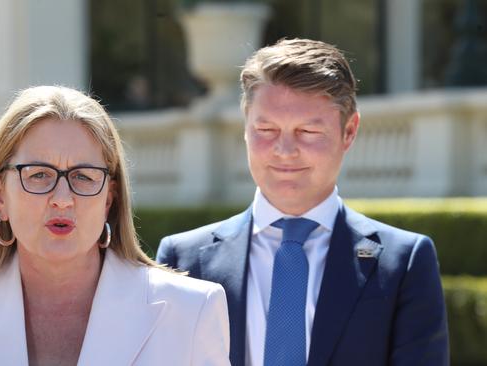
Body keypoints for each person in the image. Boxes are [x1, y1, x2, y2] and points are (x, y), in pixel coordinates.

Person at [157, 38, 449, 366]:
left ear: (349, 132)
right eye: (266, 129)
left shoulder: (405, 263)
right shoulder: (182, 261)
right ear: (245, 129)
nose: (284, 150)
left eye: (307, 132)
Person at [0, 86, 230, 366]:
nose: (62, 198)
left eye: (83, 177)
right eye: (39, 174)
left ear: (109, 199)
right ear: (0, 196)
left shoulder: (192, 312)